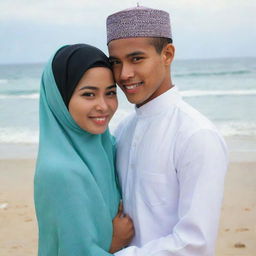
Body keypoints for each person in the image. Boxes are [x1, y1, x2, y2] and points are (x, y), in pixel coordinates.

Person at [106, 6, 228, 256]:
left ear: (167, 54)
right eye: (116, 62)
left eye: (136, 58)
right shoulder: (122, 130)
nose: (124, 74)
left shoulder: (197, 135)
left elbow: (195, 244)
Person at [34, 44, 134, 256]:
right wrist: (114, 242)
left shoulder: (105, 146)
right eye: (89, 94)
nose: (103, 106)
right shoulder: (61, 171)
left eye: (110, 93)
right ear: (59, 99)